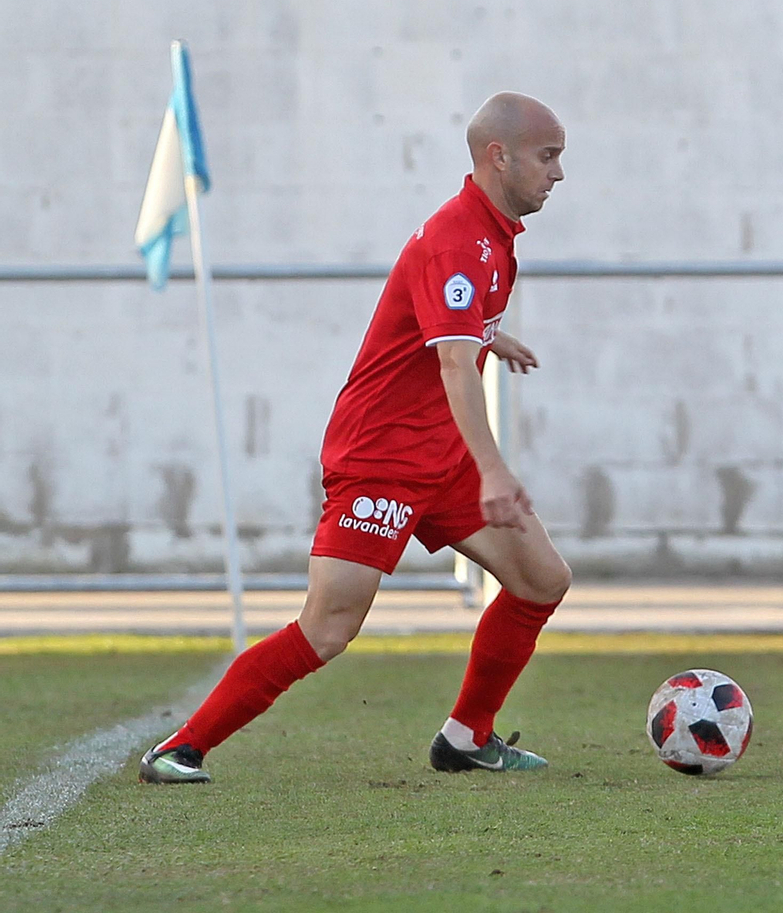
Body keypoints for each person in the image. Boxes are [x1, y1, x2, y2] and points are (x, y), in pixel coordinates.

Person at [139, 93, 572, 782]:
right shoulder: (459, 238)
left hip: (440, 454)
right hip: (385, 458)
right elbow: (454, 363)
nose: (557, 174)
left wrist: (494, 334)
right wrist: (493, 469)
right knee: (329, 627)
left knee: (541, 580)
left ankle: (466, 736)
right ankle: (180, 749)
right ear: (500, 156)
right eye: (548, 157)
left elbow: (450, 329)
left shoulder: (492, 237)